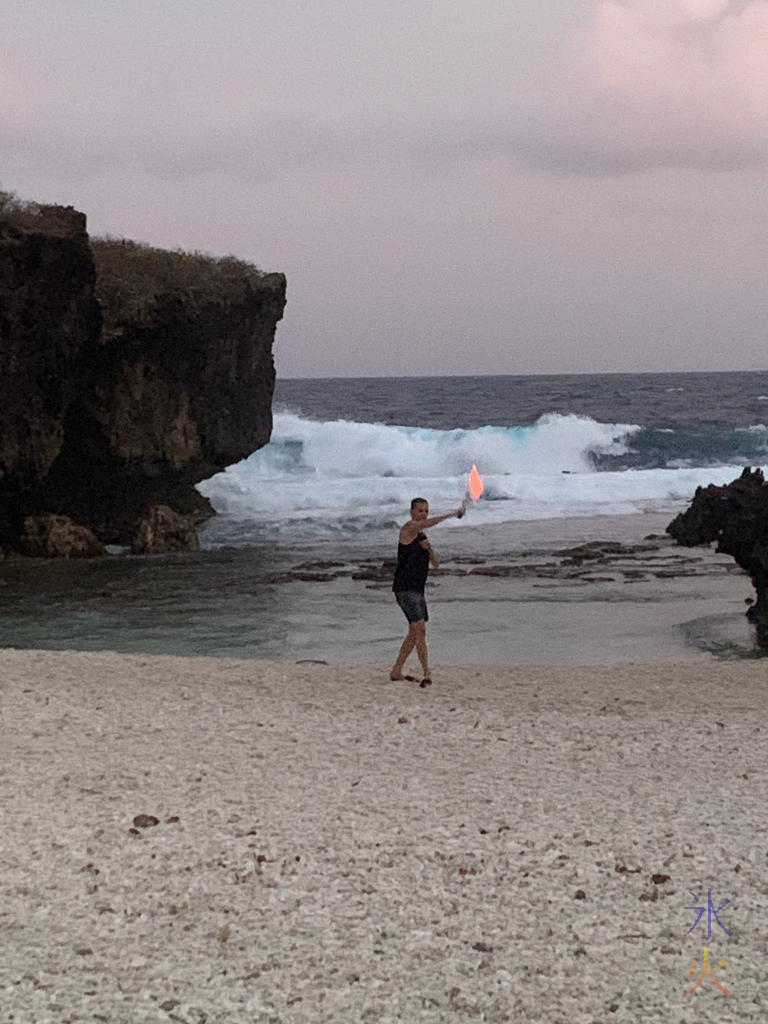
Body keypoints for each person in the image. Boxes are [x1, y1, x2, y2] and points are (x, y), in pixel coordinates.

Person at [389, 496, 465, 686]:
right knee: (420, 630)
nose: (423, 514)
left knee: (414, 633)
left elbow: (436, 563)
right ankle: (427, 673)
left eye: (426, 511)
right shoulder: (408, 528)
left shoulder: (422, 536)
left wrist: (428, 548)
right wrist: (452, 514)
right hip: (405, 589)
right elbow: (431, 523)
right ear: (412, 512)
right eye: (420, 511)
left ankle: (396, 671)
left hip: (418, 590)